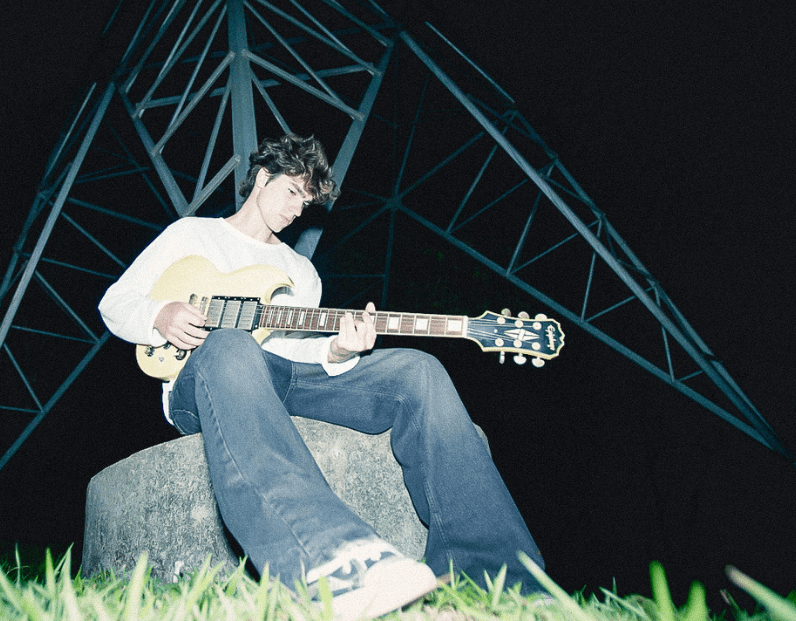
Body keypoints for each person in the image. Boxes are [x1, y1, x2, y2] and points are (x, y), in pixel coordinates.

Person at [99, 134, 545, 619]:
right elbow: (115, 303)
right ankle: (330, 561)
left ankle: (497, 575)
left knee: (418, 370)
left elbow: (293, 351)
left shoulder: (300, 272)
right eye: (292, 192)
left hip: (283, 376)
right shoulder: (191, 235)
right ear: (262, 178)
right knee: (231, 343)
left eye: (306, 202)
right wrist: (160, 314)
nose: (297, 210)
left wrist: (337, 348)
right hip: (202, 377)